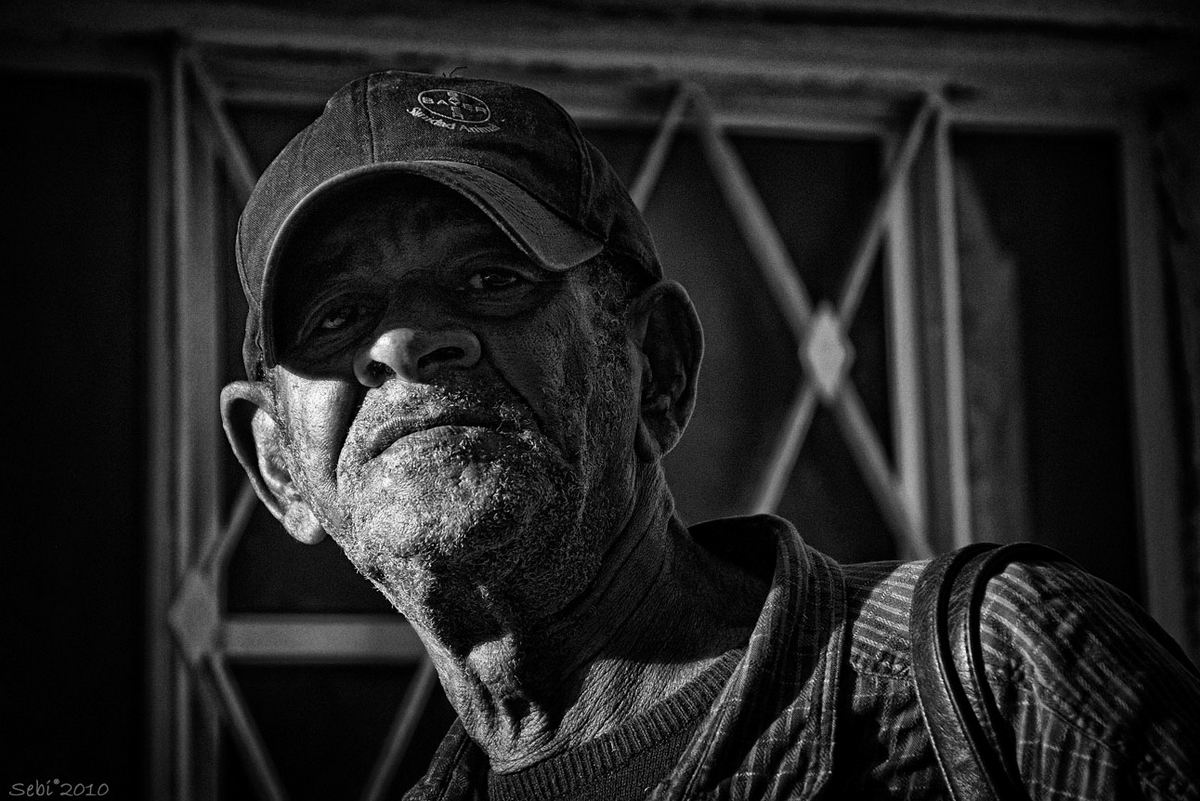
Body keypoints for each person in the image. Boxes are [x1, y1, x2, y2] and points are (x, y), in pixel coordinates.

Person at [221, 70, 1200, 800]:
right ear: (280, 468)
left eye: (491, 279)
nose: (403, 341)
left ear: (657, 363)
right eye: (337, 316)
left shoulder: (1004, 673)